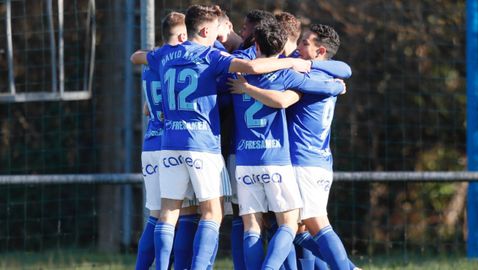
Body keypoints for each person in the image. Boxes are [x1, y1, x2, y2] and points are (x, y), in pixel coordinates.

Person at [130, 5, 312, 270]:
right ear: (205, 30)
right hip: (202, 145)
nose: (221, 34)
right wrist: (292, 61)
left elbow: (137, 57)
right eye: (217, 29)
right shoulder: (211, 56)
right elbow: (250, 66)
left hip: (169, 143)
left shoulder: (165, 55)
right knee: (212, 213)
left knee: (167, 213)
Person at [229, 24, 360, 270]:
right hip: (320, 160)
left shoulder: (303, 77)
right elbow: (344, 72)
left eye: (305, 43)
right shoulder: (325, 75)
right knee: (299, 228)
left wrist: (248, 87)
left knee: (313, 224)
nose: (298, 47)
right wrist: (336, 85)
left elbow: (283, 98)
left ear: (320, 51)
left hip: (301, 161)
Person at [134, 11, 189, 270]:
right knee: (183, 217)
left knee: (156, 216)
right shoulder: (178, 62)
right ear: (182, 35)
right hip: (173, 144)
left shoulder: (152, 61)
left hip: (150, 143)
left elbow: (148, 108)